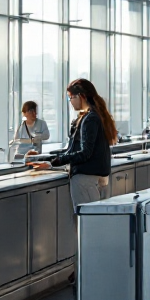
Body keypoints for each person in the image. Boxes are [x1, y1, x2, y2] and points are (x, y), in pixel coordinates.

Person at [28, 79, 116, 209]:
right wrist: (46, 159)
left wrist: (53, 162)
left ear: (81, 96)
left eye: (71, 98)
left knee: (88, 223)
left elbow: (84, 153)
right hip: (98, 178)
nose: (70, 102)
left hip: (85, 180)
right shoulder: (98, 116)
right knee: (97, 223)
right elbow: (72, 150)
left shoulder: (89, 119)